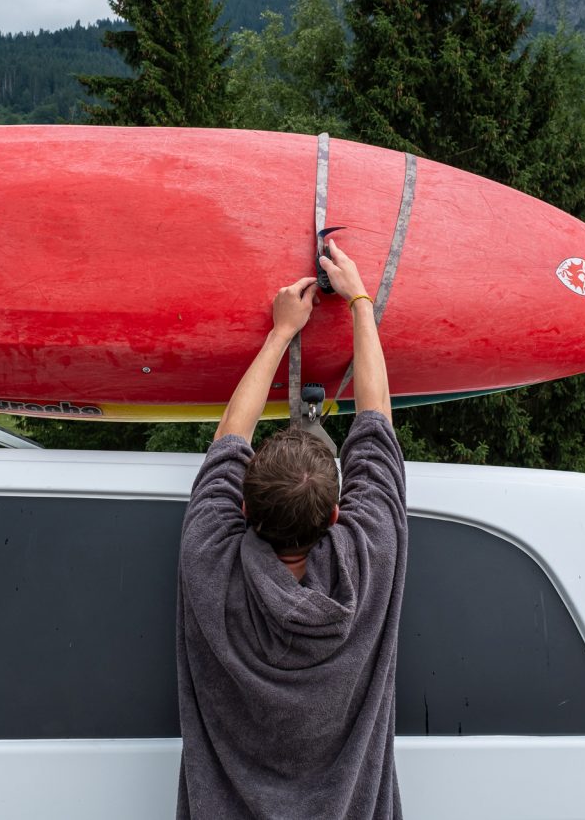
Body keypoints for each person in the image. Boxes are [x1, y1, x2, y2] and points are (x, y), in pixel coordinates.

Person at [175, 240, 408, 820]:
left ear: (246, 514)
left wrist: (281, 331)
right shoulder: (367, 559)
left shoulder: (210, 564)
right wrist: (358, 299)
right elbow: (375, 422)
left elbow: (229, 436)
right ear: (334, 517)